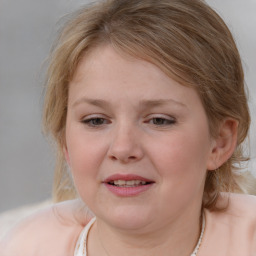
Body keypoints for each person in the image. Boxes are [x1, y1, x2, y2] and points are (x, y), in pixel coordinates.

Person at [1, 0, 256, 255]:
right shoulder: (21, 246)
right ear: (65, 142)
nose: (123, 148)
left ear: (219, 142)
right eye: (96, 120)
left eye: (159, 120)